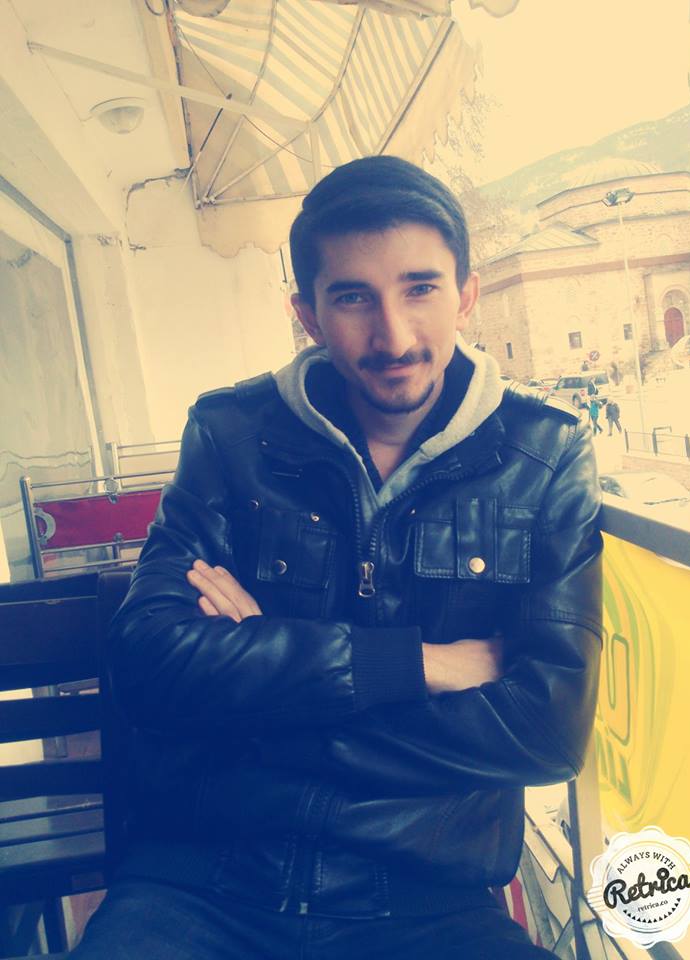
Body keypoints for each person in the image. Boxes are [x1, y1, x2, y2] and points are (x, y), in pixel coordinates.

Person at [71, 157, 602, 960]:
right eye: (353, 297)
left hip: (426, 894)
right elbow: (147, 664)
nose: (394, 337)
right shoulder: (230, 435)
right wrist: (419, 665)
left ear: (466, 295)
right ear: (308, 315)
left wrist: (254, 700)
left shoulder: (544, 455)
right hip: (202, 880)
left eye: (420, 289)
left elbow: (546, 730)